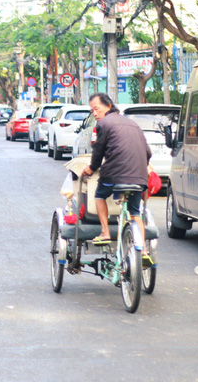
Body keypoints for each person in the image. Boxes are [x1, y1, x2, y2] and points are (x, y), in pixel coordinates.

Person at [81, 93, 154, 267]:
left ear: (108, 106)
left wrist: (91, 168)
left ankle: (105, 232)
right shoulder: (133, 124)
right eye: (92, 111)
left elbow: (98, 152)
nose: (95, 114)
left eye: (96, 109)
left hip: (114, 175)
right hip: (139, 177)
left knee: (99, 195)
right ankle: (142, 249)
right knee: (135, 213)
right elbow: (148, 152)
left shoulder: (103, 124)